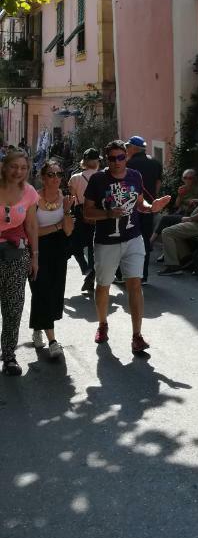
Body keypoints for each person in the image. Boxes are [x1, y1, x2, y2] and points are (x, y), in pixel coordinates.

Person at [83, 140, 170, 353]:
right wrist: (108, 214)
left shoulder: (134, 176)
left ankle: (137, 335)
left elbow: (140, 203)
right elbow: (87, 212)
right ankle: (103, 324)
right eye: (112, 158)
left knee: (135, 284)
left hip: (133, 238)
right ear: (107, 159)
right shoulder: (97, 179)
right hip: (107, 241)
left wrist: (151, 208)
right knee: (103, 285)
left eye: (120, 157)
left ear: (126, 157)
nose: (116, 162)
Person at [29, 161, 75, 358]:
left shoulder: (64, 198)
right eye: (51, 174)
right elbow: (32, 231)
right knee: (41, 291)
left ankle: (38, 328)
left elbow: (69, 230)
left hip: (58, 250)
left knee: (54, 292)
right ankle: (52, 341)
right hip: (37, 250)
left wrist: (65, 211)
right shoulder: (33, 198)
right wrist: (56, 226)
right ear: (43, 177)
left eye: (59, 174)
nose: (55, 178)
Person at [0, 149, 39, 375]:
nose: (19, 171)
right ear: (5, 166)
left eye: (23, 168)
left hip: (16, 255)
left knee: (13, 307)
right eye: (14, 166)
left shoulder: (30, 193)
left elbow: (32, 226)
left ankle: (9, 356)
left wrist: (34, 257)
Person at [125, 136, 163, 283]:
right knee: (145, 240)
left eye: (128, 147)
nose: (127, 150)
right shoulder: (155, 163)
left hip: (131, 207)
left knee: (129, 239)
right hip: (149, 206)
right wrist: (153, 199)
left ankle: (128, 275)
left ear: (134, 148)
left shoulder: (128, 164)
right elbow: (158, 183)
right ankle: (144, 275)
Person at [150, 169, 198, 261]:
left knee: (165, 219)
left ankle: (151, 242)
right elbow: (177, 205)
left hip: (189, 215)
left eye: (190, 178)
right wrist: (180, 195)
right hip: (180, 213)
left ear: (194, 179)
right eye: (185, 178)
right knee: (166, 225)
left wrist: (197, 201)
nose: (187, 180)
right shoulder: (182, 189)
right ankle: (164, 251)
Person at [68, 148, 100, 291]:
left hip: (81, 214)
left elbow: (72, 198)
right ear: (97, 162)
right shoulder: (103, 177)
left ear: (84, 162)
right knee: (94, 248)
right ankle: (91, 275)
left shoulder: (75, 178)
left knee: (75, 244)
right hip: (99, 214)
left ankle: (85, 267)